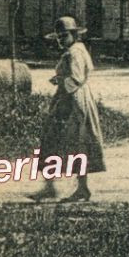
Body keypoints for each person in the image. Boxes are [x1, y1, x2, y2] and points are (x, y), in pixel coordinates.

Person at [28, 17, 106, 203]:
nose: (60, 40)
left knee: (76, 141)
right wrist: (61, 78)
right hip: (68, 96)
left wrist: (61, 81)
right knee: (52, 139)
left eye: (64, 36)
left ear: (74, 34)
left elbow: (77, 79)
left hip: (73, 100)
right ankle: (50, 186)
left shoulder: (75, 52)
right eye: (58, 37)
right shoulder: (74, 50)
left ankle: (81, 188)